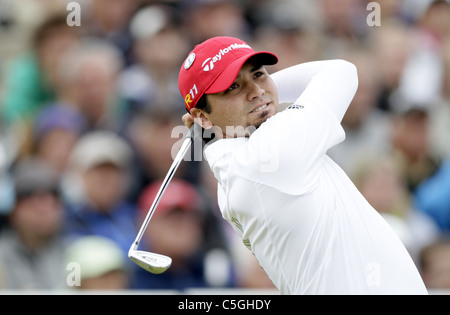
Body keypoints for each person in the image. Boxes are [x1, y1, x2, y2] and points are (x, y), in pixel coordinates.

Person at [178, 36, 428, 294]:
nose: (256, 90)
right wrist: (267, 95)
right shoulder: (272, 151)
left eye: (259, 74)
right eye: (233, 87)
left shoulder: (232, 173)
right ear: (201, 117)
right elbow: (341, 71)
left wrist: (212, 119)